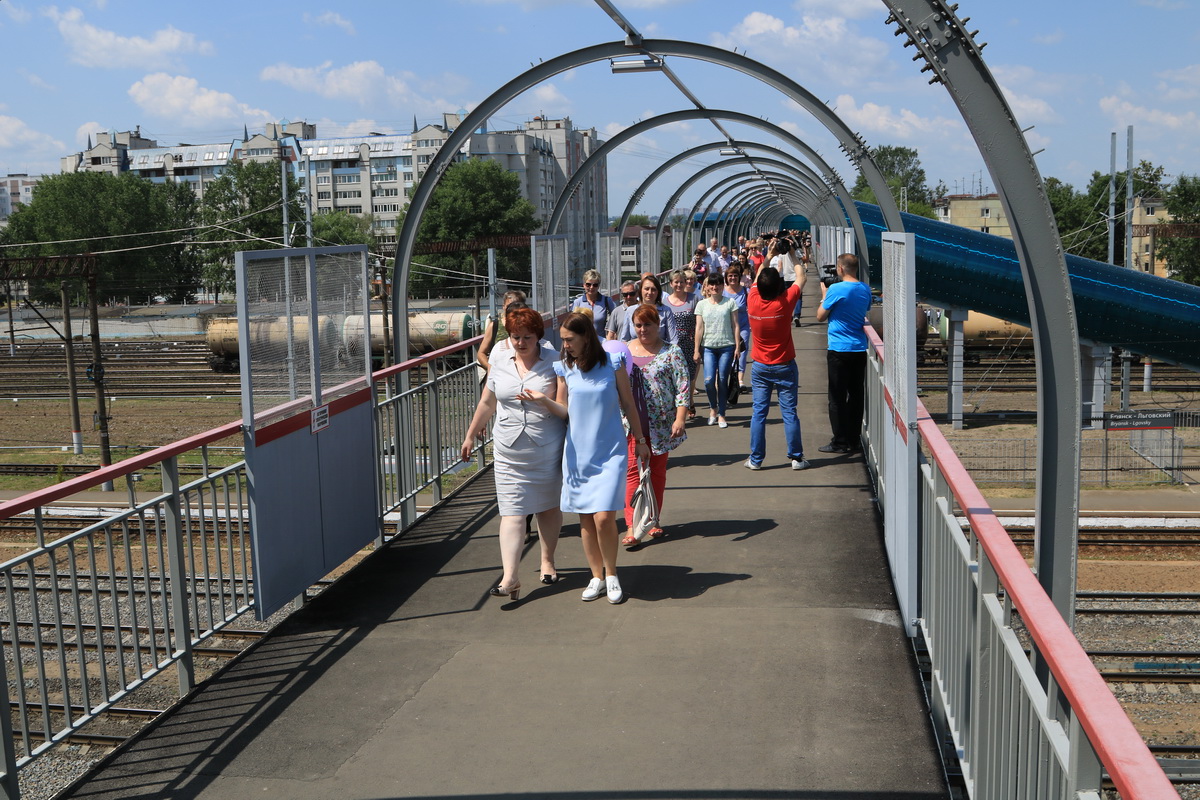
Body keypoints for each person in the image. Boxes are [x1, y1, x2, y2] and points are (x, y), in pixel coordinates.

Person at [524, 312, 649, 604]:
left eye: (569, 340)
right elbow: (565, 410)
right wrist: (543, 401)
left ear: (585, 337)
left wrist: (641, 440)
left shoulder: (613, 363)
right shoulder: (565, 368)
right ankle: (596, 576)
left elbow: (628, 403)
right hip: (578, 453)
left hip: (611, 451)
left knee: (605, 517)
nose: (564, 345)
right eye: (563, 340)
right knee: (586, 520)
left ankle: (612, 574)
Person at [460, 306, 566, 601]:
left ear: (538, 336)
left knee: (547, 508)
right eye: (516, 337)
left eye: (527, 337)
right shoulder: (498, 356)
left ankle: (547, 560)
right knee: (512, 512)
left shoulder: (554, 361)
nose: (520, 343)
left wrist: (542, 400)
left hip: (546, 447)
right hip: (508, 448)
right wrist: (471, 434)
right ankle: (510, 577)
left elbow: (564, 409)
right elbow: (487, 401)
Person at [620, 304, 689, 546]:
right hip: (630, 424)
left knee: (656, 472)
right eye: (638, 325)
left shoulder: (672, 352)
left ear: (657, 325)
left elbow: (682, 387)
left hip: (661, 424)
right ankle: (631, 526)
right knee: (631, 472)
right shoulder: (625, 351)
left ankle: (653, 519)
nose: (642, 329)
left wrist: (680, 418)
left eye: (647, 324)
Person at [745, 265, 808, 470]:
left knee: (759, 413)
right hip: (784, 365)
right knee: (789, 412)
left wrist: (770, 254)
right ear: (779, 285)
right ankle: (796, 458)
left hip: (761, 366)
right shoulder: (785, 302)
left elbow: (757, 277)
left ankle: (755, 460)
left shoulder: (752, 301)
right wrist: (792, 252)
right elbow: (801, 277)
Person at [816, 253, 872, 453]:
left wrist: (824, 296)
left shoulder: (836, 289)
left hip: (839, 349)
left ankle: (839, 441)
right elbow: (865, 309)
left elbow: (820, 316)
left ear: (840, 268)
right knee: (856, 396)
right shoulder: (865, 289)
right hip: (858, 347)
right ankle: (854, 439)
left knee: (837, 397)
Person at [693, 273, 741, 428]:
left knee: (722, 380)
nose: (715, 287)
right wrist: (696, 349)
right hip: (708, 347)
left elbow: (735, 325)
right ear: (707, 286)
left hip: (726, 346)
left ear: (722, 286)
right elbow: (699, 328)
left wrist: (737, 346)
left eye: (718, 284)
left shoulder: (730, 303)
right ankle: (713, 408)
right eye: (712, 285)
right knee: (708, 381)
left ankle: (722, 414)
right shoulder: (701, 304)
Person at [664, 270, 699, 419]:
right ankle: (678, 412)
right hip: (671, 346)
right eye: (676, 282)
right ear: (671, 284)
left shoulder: (693, 299)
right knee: (674, 380)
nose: (679, 284)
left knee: (689, 379)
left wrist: (698, 347)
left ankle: (689, 399)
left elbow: (699, 324)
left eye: (681, 282)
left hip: (689, 344)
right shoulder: (665, 302)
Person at [613, 274, 677, 344]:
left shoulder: (666, 311)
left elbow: (673, 340)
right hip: (635, 352)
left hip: (659, 353)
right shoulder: (630, 311)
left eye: (653, 289)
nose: (649, 292)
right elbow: (624, 339)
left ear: (658, 292)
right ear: (640, 291)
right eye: (646, 289)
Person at [476, 289, 526, 372]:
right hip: (501, 375)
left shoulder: (529, 326)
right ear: (503, 306)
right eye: (509, 306)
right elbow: (481, 353)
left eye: (516, 306)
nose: (512, 309)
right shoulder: (495, 325)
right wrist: (492, 369)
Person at [723, 265, 751, 390]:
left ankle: (739, 379)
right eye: (730, 276)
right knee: (728, 352)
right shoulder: (722, 291)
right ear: (726, 278)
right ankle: (728, 376)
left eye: (735, 276)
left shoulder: (745, 291)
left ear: (739, 277)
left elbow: (751, 308)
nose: (733, 278)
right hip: (726, 327)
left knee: (742, 352)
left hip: (743, 326)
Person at [570, 269, 616, 338]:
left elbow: (616, 318)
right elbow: (573, 324)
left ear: (598, 286)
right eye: (588, 284)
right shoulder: (577, 302)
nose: (591, 287)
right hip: (582, 342)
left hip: (600, 342)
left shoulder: (606, 301)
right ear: (584, 285)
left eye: (595, 285)